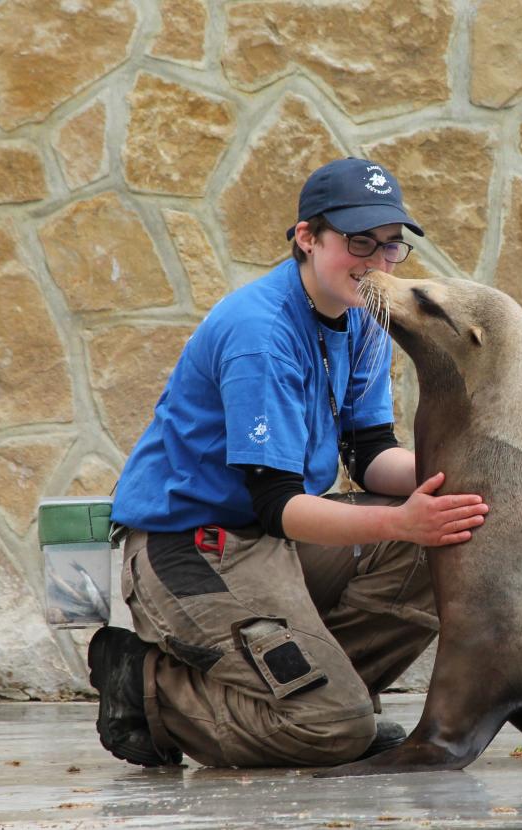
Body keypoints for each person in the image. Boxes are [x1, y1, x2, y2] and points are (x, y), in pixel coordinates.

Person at [89, 158, 489, 768]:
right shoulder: (261, 333)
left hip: (270, 540)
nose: (377, 263)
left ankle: (324, 700)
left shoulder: (364, 316)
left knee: (443, 535)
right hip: (191, 549)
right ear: (307, 237)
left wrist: (468, 475)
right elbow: (277, 505)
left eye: (390, 247)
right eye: (359, 243)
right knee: (332, 730)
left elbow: (370, 453)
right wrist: (400, 521)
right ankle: (151, 687)